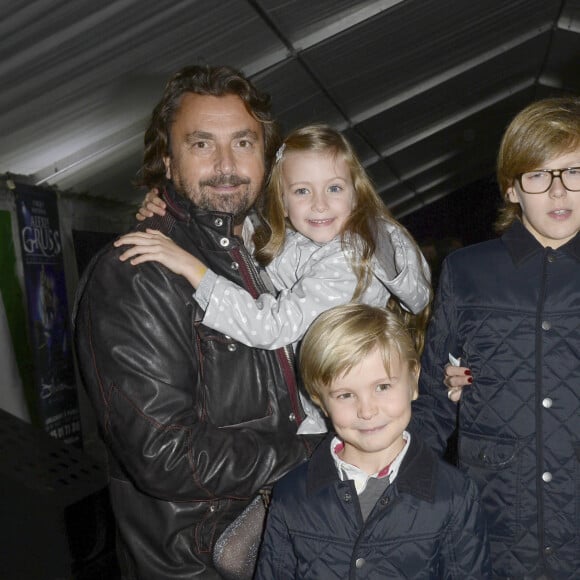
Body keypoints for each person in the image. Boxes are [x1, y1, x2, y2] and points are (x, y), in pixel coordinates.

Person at [73, 64, 319, 579]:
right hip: (203, 563)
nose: (226, 165)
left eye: (244, 143)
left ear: (267, 156)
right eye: (202, 144)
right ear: (167, 159)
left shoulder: (272, 251)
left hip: (289, 544)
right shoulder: (140, 273)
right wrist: (318, 454)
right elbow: (164, 455)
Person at [116, 124, 431, 432]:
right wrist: (168, 207)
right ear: (282, 198)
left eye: (334, 188)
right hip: (325, 407)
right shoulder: (304, 241)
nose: (319, 203)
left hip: (352, 416)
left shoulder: (348, 260)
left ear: (356, 194)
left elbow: (270, 325)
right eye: (302, 191)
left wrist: (190, 267)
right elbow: (252, 239)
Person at [411, 97, 580, 579]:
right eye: (538, 175)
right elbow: (433, 404)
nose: (558, 191)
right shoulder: (467, 271)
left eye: (573, 172)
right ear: (511, 188)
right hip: (496, 523)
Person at [254, 303, 491, 579]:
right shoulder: (291, 495)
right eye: (345, 395)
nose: (367, 411)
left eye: (382, 387)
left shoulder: (455, 496)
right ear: (320, 400)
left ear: (414, 381)